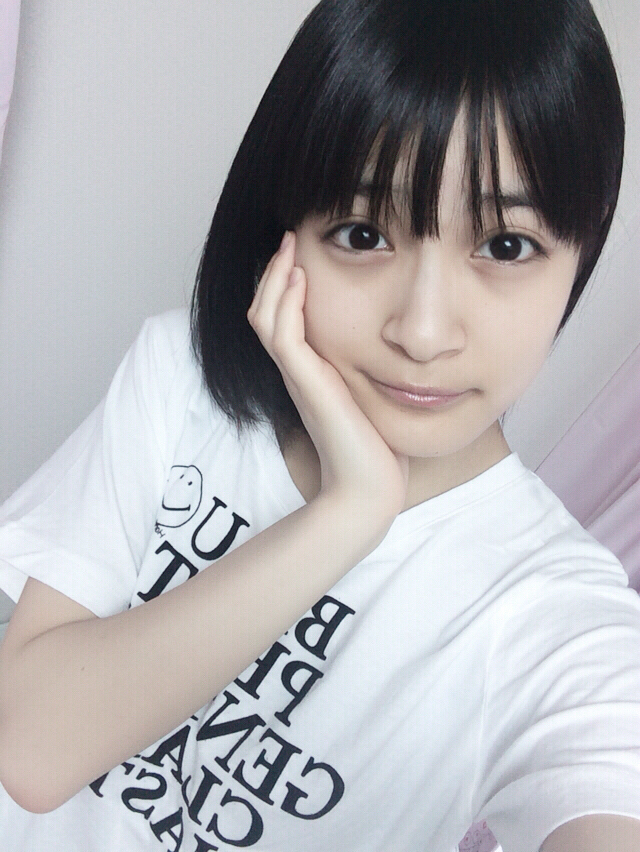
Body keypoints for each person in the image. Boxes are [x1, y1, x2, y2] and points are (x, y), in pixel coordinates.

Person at [0, 1, 639, 850]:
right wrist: (349, 513)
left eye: (506, 247)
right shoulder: (180, 382)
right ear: (284, 235)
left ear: (581, 252)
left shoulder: (555, 616)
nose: (422, 332)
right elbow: (31, 749)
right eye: (363, 233)